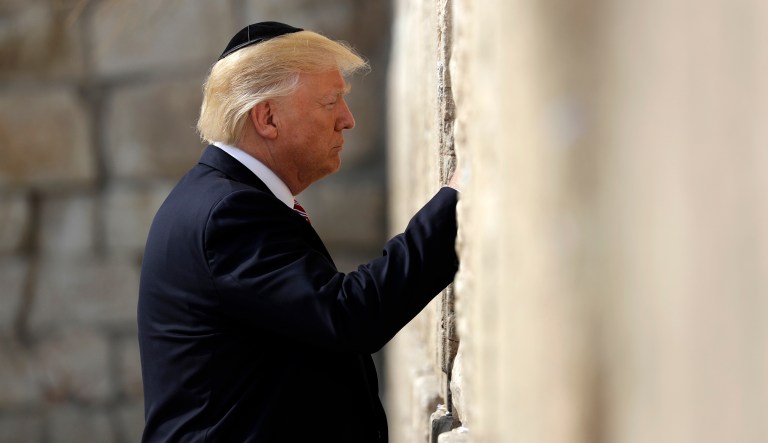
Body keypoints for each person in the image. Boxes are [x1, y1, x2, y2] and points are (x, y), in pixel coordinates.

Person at [138, 22, 459, 442]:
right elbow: (348, 315)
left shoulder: (221, 198)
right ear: (267, 118)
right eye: (331, 102)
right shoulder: (227, 213)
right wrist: (456, 201)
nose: (348, 120)